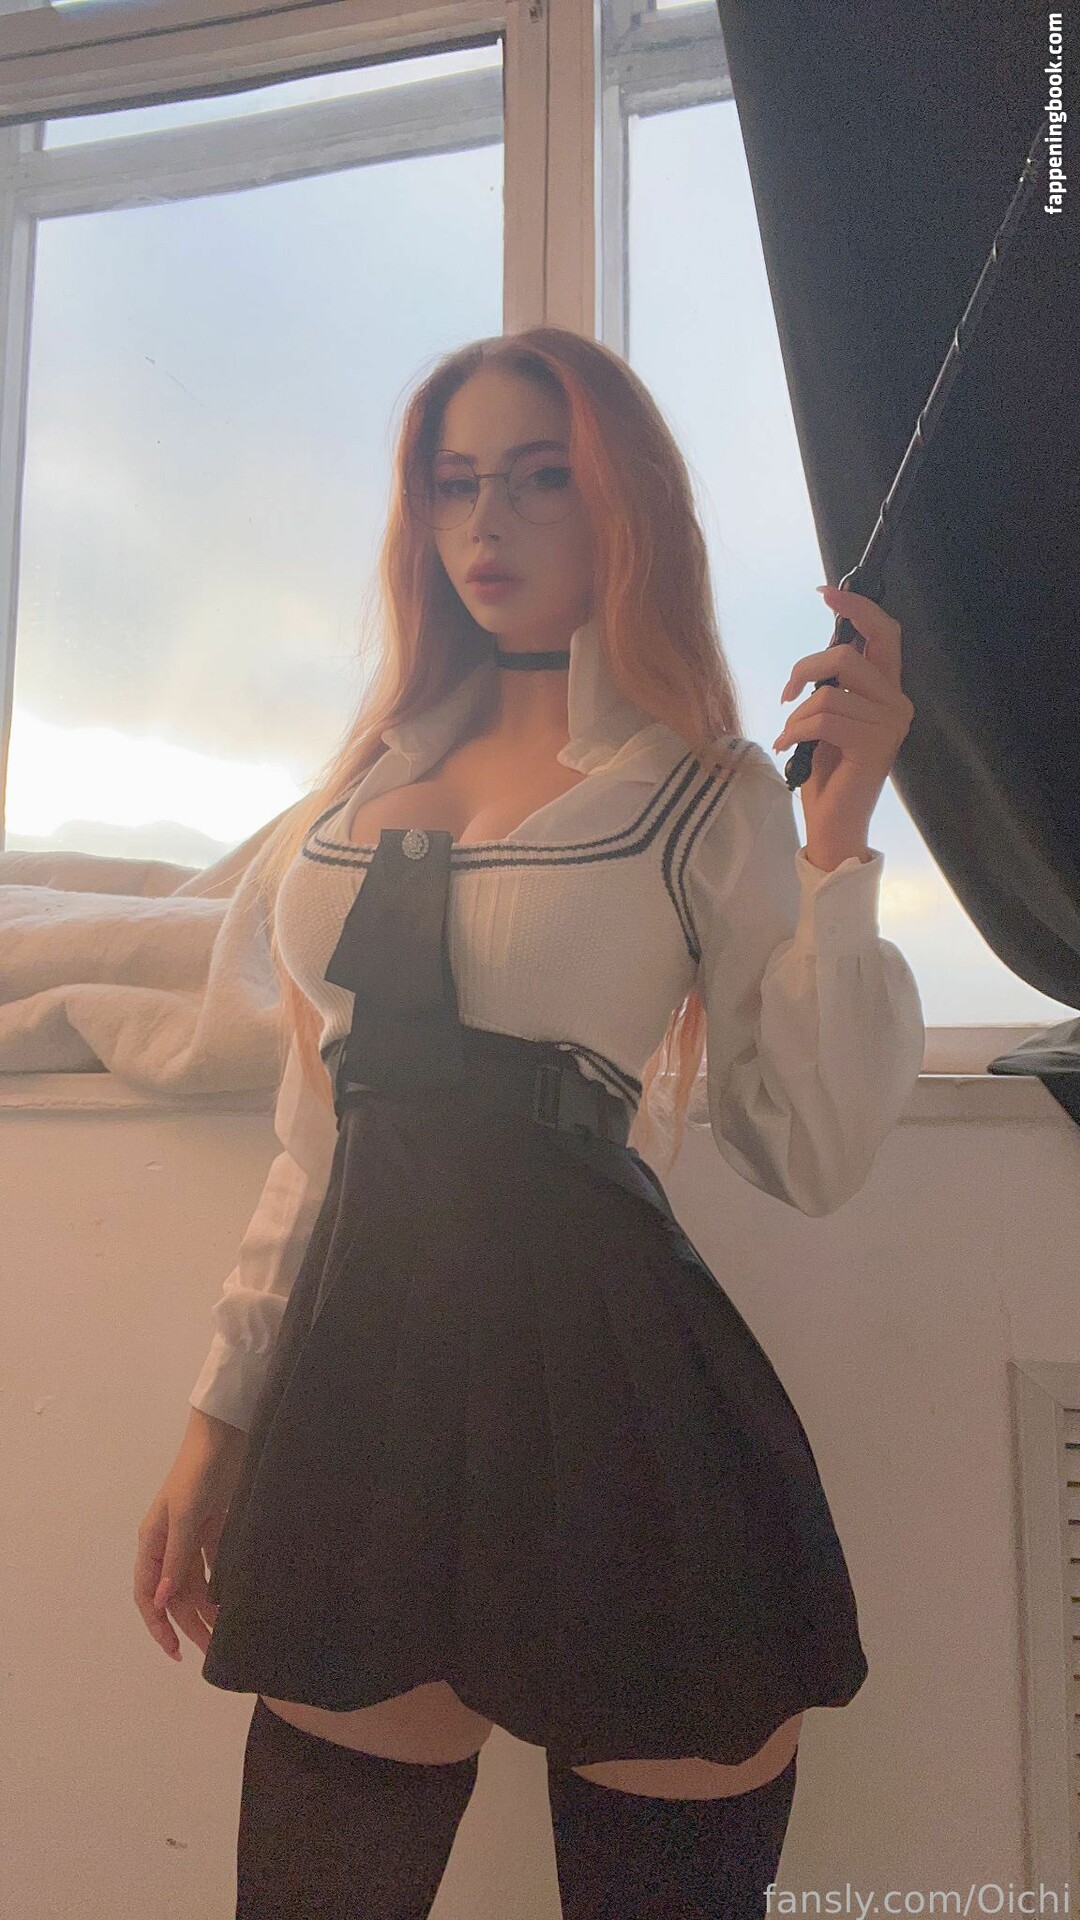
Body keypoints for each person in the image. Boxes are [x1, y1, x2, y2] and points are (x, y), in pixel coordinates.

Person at [134, 326, 923, 1919]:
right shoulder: (355, 793)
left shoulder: (707, 791)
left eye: (540, 479)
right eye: (456, 484)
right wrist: (217, 1422)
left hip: (625, 1397)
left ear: (622, 503)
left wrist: (838, 839)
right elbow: (317, 1146)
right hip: (367, 1400)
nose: (486, 522)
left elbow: (809, 1147)